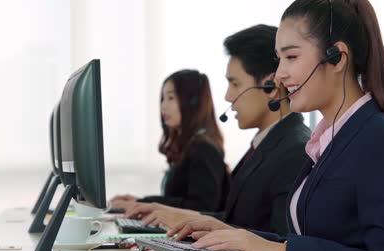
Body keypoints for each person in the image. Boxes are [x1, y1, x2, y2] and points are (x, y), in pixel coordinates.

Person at [168, 1, 384, 251]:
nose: (279, 75)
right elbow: (313, 243)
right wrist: (237, 235)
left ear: (336, 57)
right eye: (279, 59)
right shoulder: (328, 140)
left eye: (291, 57)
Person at [124, 24, 311, 235]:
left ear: (271, 87)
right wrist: (178, 215)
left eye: (235, 84)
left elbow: (284, 244)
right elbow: (237, 221)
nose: (228, 97)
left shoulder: (296, 150)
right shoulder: (265, 145)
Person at [111, 69, 229, 212]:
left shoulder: (203, 149)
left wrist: (146, 204)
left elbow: (202, 207)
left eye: (171, 98)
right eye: (163, 98)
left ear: (193, 102)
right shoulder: (191, 146)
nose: (163, 106)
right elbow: (180, 201)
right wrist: (140, 202)